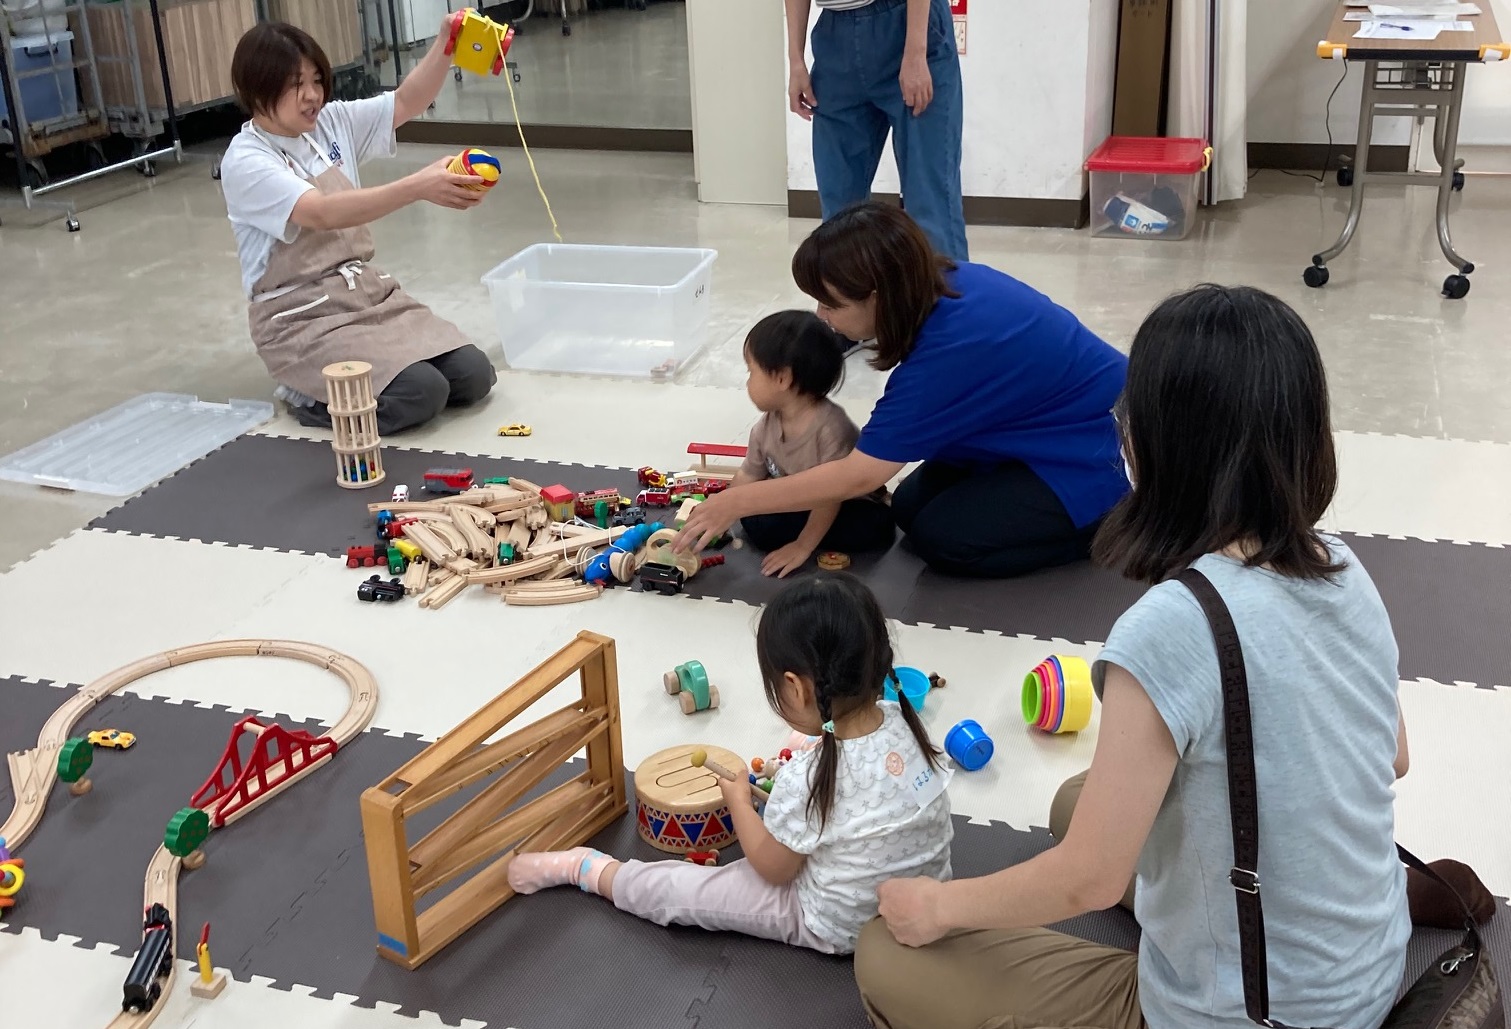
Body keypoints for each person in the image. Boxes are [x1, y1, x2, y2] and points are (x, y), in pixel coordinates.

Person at [854, 285, 1412, 1029]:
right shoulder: (1338, 561)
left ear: (1158, 443)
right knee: (1074, 802)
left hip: (1255, 1014)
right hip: (1374, 966)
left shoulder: (1173, 625)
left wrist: (937, 905)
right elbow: (1392, 756)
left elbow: (1087, 882)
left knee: (884, 953)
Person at [506, 573, 954, 956]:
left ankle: (590, 870)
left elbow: (774, 869)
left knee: (688, 892)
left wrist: (740, 801)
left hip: (840, 924)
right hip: (928, 900)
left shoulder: (809, 781)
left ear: (796, 688)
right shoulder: (903, 722)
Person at [677, 202, 1129, 579]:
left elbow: (861, 476)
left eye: (832, 304)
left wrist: (735, 502)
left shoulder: (948, 353)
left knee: (943, 541)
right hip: (1027, 433)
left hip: (1097, 450)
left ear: (877, 296)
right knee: (910, 508)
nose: (821, 316)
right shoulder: (948, 283)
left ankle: (1109, 528)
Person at [222, 21, 498, 435]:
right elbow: (321, 213)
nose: (313, 94)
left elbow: (406, 101)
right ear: (257, 89)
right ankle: (307, 397)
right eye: (296, 84)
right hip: (300, 320)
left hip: (364, 296)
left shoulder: (330, 123)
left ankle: (372, 374)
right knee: (420, 393)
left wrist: (447, 43)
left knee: (473, 375)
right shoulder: (247, 160)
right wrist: (418, 187)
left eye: (317, 80)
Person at [787, 0, 968, 262]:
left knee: (931, 207)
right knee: (838, 218)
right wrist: (795, 59)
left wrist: (916, 51)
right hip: (835, 35)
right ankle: (850, 290)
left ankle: (945, 290)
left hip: (907, 20)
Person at [735, 309, 896, 577]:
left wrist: (803, 546)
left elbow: (831, 495)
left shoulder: (830, 427)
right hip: (804, 502)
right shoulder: (765, 426)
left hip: (848, 504)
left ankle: (810, 537)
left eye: (751, 372)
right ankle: (807, 533)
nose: (748, 381)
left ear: (782, 378)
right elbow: (748, 475)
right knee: (754, 519)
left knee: (872, 526)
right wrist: (720, 510)